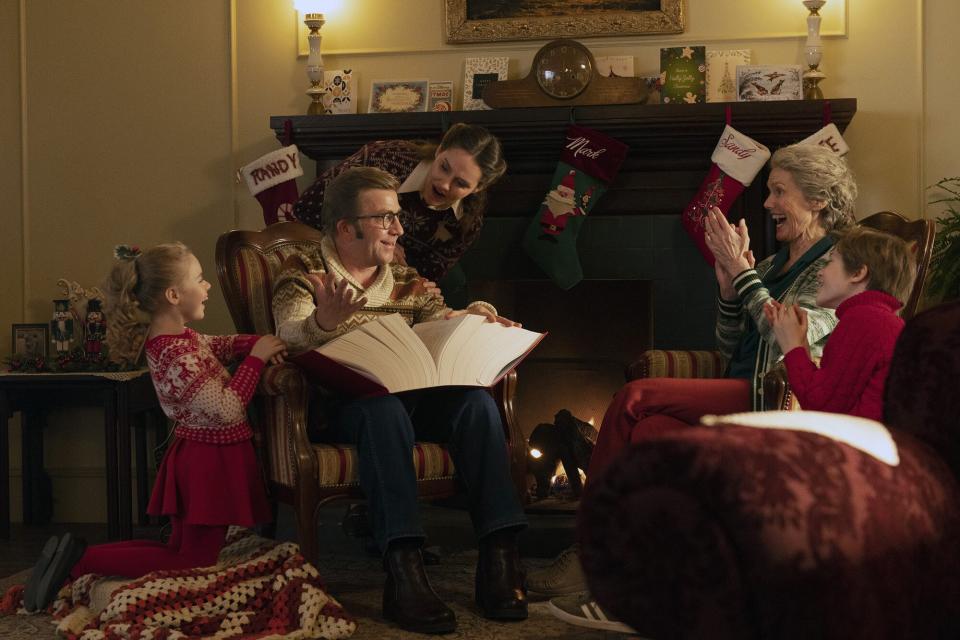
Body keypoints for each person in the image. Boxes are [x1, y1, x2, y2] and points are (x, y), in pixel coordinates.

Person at [533, 143, 858, 630]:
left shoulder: (834, 264)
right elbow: (730, 346)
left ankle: (592, 546)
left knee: (633, 399)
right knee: (650, 432)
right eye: (768, 191)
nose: (767, 203)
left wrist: (743, 274)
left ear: (817, 200)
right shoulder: (772, 266)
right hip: (737, 384)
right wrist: (731, 290)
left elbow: (784, 335)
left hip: (772, 397)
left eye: (778, 192)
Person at [273, 166, 528, 635]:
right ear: (347, 227)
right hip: (344, 408)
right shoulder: (305, 272)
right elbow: (289, 335)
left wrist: (477, 320)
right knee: (382, 409)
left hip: (413, 397)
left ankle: (500, 555)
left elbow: (439, 320)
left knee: (475, 403)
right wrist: (323, 325)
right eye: (385, 218)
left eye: (396, 217)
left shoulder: (406, 278)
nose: (399, 228)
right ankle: (403, 570)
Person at [21, 242, 287, 613]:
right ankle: (79, 563)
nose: (207, 286)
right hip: (208, 463)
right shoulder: (175, 353)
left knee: (177, 550)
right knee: (191, 561)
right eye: (199, 279)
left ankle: (77, 554)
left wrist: (252, 342)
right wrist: (256, 361)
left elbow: (220, 344)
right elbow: (227, 408)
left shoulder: (181, 339)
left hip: (200, 456)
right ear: (174, 294)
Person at [292, 122, 507, 283]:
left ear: (477, 188)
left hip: (390, 287)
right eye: (444, 167)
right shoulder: (383, 158)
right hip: (330, 260)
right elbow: (307, 210)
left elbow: (424, 279)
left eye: (460, 183)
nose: (444, 185)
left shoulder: (467, 223)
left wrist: (392, 264)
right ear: (439, 150)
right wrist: (376, 247)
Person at [764, 225, 913, 420]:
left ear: (857, 273)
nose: (820, 273)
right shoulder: (879, 319)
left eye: (829, 262)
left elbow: (821, 406)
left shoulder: (863, 320)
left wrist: (792, 348)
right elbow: (832, 397)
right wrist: (801, 345)